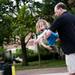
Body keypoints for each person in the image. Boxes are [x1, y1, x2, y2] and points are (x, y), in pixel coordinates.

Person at [50, 2, 75, 75]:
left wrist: (38, 39)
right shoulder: (73, 17)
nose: (55, 14)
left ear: (60, 9)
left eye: (56, 12)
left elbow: (48, 32)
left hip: (70, 50)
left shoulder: (60, 19)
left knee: (72, 72)